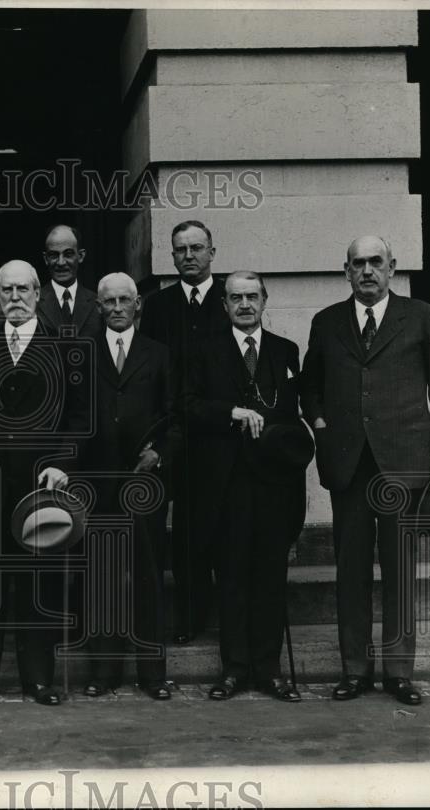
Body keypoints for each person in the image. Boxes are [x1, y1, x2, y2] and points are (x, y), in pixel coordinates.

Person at [301, 236, 430, 706]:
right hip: (349, 464)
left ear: (392, 268)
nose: (367, 271)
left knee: (399, 572)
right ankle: (354, 670)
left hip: (404, 463)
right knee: (350, 570)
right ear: (345, 271)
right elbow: (311, 386)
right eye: (358, 264)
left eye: (376, 263)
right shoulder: (327, 321)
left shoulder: (421, 315)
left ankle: (399, 672)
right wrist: (322, 425)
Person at [0, 260, 89, 706]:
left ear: (38, 293)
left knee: (38, 585)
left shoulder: (63, 348)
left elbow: (80, 417)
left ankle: (38, 679)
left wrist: (63, 463)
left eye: (22, 290)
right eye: (5, 290)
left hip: (38, 489)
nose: (14, 298)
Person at [182, 271, 308, 702]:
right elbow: (188, 406)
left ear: (265, 300)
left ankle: (270, 670)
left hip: (275, 484)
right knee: (233, 576)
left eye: (252, 296)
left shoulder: (285, 351)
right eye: (236, 297)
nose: (245, 304)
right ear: (224, 304)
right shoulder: (204, 351)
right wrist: (231, 413)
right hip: (227, 484)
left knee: (271, 578)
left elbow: (294, 415)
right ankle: (234, 669)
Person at [78, 272, 175, 700]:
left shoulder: (160, 354)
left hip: (144, 483)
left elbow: (176, 418)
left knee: (148, 577)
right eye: (109, 301)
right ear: (98, 308)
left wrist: (160, 454)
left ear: (138, 306)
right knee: (103, 579)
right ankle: (103, 671)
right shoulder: (82, 355)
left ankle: (153, 673)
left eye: (125, 300)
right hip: (98, 483)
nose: (117, 307)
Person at [139, 220, 230, 646]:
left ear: (213, 251)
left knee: (225, 526)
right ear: (171, 256)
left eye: (197, 248)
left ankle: (228, 616)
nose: (189, 256)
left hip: (222, 433)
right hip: (176, 436)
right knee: (186, 533)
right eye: (181, 250)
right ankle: (190, 617)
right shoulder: (157, 306)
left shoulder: (232, 297)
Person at [35, 225, 102, 338]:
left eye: (68, 254)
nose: (61, 263)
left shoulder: (98, 303)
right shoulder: (32, 303)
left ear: (80, 256)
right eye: (53, 255)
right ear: (46, 259)